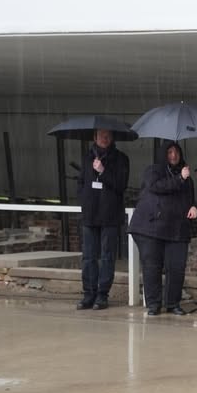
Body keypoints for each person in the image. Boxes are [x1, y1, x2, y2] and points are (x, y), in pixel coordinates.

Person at [128, 141, 197, 316]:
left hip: (176, 229)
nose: (173, 155)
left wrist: (194, 206)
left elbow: (189, 197)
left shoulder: (186, 177)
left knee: (176, 267)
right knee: (152, 266)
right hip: (151, 227)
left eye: (176, 152)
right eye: (169, 152)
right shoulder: (153, 171)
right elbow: (157, 186)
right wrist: (179, 179)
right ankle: (154, 304)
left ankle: (173, 303)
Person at [76, 128, 130, 310]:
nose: (104, 138)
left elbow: (121, 185)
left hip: (110, 215)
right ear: (94, 137)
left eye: (108, 136)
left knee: (107, 256)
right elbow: (81, 182)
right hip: (90, 214)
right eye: (101, 135)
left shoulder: (121, 159)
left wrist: (103, 171)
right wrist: (84, 200)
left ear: (112, 138)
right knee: (88, 256)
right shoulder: (87, 157)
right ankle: (88, 293)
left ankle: (102, 294)